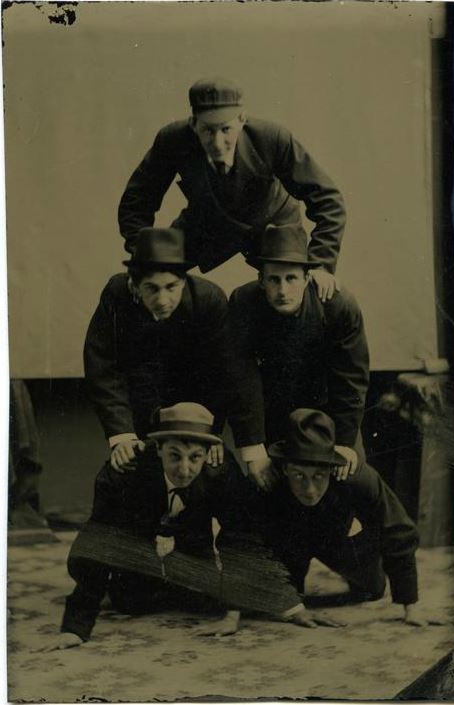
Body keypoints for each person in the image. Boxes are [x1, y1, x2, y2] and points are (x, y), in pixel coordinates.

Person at [42, 403, 318, 650]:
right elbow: (101, 547)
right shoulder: (123, 475)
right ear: (158, 448)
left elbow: (240, 539)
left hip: (191, 535)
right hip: (136, 535)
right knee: (129, 601)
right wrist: (74, 629)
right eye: (174, 456)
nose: (184, 469)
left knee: (204, 596)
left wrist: (247, 611)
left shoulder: (221, 472)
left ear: (210, 454)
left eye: (195, 458)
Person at [118, 77, 345, 300]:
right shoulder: (173, 140)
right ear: (193, 123)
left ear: (242, 119)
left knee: (299, 293)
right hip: (206, 225)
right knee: (151, 282)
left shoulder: (272, 138)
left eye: (226, 129)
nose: (217, 143)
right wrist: (142, 258)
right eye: (207, 130)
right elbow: (136, 201)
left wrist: (322, 263)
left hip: (272, 227)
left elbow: (328, 199)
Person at [84, 226, 246, 472]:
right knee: (130, 472)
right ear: (134, 285)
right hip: (138, 406)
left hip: (194, 409)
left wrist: (211, 431)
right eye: (152, 288)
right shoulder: (117, 294)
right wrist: (122, 435)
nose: (162, 300)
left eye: (171, 287)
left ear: (184, 281)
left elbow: (223, 373)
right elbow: (102, 366)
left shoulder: (209, 300)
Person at [256, 408, 430, 627]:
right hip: (290, 544)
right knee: (276, 602)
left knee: (373, 589)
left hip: (338, 540)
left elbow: (399, 531)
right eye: (299, 475)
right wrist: (292, 606)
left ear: (332, 469)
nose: (309, 490)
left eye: (319, 476)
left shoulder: (359, 479)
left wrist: (410, 605)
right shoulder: (268, 481)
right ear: (283, 469)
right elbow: (244, 541)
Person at [228, 222, 369, 488]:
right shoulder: (243, 303)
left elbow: (351, 379)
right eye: (273, 279)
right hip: (272, 413)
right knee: (266, 485)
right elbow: (241, 376)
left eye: (291, 278)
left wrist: (345, 443)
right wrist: (253, 448)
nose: (282, 291)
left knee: (348, 478)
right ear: (261, 281)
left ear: (307, 278)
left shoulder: (339, 306)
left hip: (328, 410)